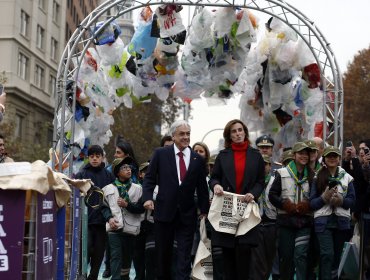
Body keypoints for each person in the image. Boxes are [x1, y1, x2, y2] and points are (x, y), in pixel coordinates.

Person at [142, 120, 209, 280]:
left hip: (187, 215)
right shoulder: (160, 154)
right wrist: (147, 198)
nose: (186, 137)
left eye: (188, 134)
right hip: (164, 213)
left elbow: (202, 187)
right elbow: (149, 179)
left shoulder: (197, 159)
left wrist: (204, 210)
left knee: (184, 255)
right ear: (173, 136)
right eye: (182, 134)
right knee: (163, 256)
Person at [209, 119, 265, 280]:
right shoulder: (222, 155)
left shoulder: (256, 156)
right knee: (228, 253)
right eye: (234, 131)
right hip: (227, 209)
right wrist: (216, 186)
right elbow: (214, 178)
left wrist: (253, 193)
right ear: (229, 136)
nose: (238, 133)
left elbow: (261, 181)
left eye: (240, 130)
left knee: (245, 249)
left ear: (245, 132)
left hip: (246, 209)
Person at [269, 142, 314, 280]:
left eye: (306, 153)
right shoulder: (282, 173)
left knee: (300, 256)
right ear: (294, 155)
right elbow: (272, 195)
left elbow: (317, 197)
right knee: (286, 257)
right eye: (301, 153)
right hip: (286, 222)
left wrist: (308, 205)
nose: (304, 156)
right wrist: (285, 204)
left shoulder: (313, 175)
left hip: (304, 223)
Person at [310, 146, 356, 279]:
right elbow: (312, 203)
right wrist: (324, 198)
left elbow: (352, 201)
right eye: (329, 156)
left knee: (336, 257)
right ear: (324, 159)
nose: (332, 158)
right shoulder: (317, 176)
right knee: (327, 254)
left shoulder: (347, 177)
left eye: (334, 156)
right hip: (322, 222)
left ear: (339, 159)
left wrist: (341, 201)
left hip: (341, 222)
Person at [75, 145, 116, 280]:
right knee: (85, 251)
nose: (94, 159)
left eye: (97, 156)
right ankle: (82, 275)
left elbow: (112, 197)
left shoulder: (108, 175)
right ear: (88, 158)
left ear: (102, 157)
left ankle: (93, 276)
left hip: (102, 221)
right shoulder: (81, 174)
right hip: (86, 221)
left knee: (99, 253)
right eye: (91, 156)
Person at [103, 156, 144, 280]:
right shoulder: (108, 188)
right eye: (124, 167)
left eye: (129, 167)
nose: (128, 170)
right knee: (115, 257)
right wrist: (109, 218)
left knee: (127, 259)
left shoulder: (138, 189)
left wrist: (128, 205)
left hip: (131, 229)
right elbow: (103, 208)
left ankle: (124, 278)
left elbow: (141, 208)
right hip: (114, 228)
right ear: (117, 172)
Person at [251, 154, 278, 280]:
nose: (262, 167)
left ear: (269, 166)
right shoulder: (251, 182)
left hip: (272, 223)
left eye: (265, 164)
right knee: (258, 260)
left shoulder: (275, 180)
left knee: (269, 258)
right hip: (256, 223)